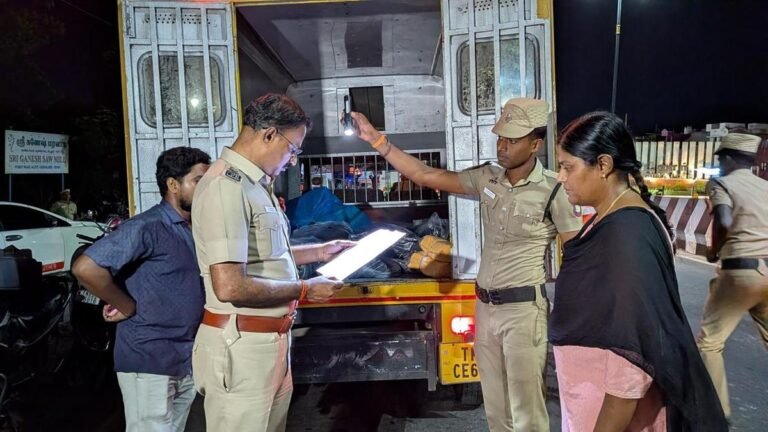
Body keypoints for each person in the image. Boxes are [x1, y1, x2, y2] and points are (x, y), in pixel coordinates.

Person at [349, 98, 582, 432]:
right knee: (497, 412)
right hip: (484, 308)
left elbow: (576, 253)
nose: (502, 145)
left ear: (535, 144)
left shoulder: (553, 191)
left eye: (512, 139)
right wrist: (377, 141)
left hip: (523, 313)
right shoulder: (488, 178)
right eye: (500, 137)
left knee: (527, 414)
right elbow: (425, 175)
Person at [550, 111, 727, 431]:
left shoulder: (627, 235)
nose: (560, 177)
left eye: (568, 166)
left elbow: (629, 363)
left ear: (603, 165)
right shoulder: (610, 219)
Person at [191, 93, 353, 432]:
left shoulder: (254, 185)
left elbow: (262, 254)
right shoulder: (226, 186)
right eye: (293, 150)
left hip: (269, 345)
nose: (293, 161)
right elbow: (230, 285)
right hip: (242, 348)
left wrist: (320, 251)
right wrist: (307, 289)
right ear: (268, 134)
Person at [72, 147, 211, 432]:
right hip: (149, 359)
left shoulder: (192, 227)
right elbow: (86, 268)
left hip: (185, 358)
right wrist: (127, 305)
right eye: (199, 181)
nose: (207, 189)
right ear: (173, 184)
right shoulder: (148, 226)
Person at [697, 132, 768, 420]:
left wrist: (714, 251)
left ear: (727, 158)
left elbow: (724, 221)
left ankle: (718, 412)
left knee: (709, 343)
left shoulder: (721, 183)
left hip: (739, 273)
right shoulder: (765, 187)